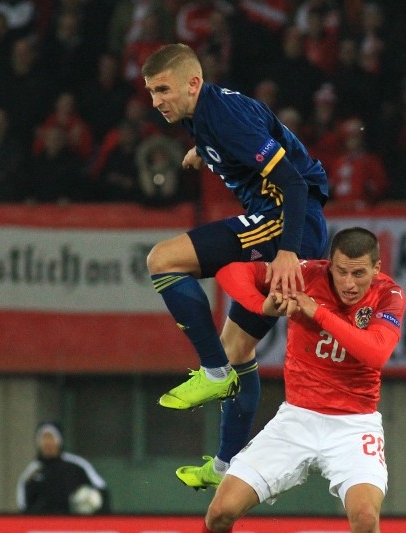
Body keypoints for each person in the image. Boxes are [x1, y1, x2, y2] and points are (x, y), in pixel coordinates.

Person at [141, 43, 329, 488]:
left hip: (285, 222)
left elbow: (293, 182)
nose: (156, 101)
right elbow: (254, 136)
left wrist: (287, 251)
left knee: (163, 259)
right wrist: (205, 151)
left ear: (193, 83)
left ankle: (213, 373)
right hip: (288, 225)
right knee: (238, 350)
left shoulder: (224, 117)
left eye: (163, 90)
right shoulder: (204, 114)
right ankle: (226, 467)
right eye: (150, 92)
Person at [202, 226, 406, 533]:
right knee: (220, 512)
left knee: (365, 518)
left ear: (377, 268)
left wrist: (318, 312)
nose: (349, 283)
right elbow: (231, 271)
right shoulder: (304, 275)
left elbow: (376, 353)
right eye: (341, 272)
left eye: (359, 273)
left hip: (354, 425)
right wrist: (262, 306)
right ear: (330, 264)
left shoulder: (389, 295)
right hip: (296, 419)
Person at [16, 422, 110, 515]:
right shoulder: (32, 472)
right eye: (44, 438)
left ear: (59, 441)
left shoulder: (77, 465)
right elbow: (23, 504)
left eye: (51, 438)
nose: (48, 442)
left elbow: (101, 488)